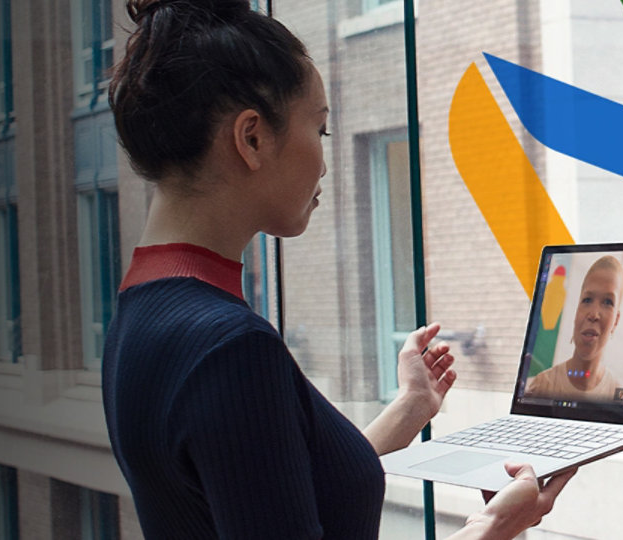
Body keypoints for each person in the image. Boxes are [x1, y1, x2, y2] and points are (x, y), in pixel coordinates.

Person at [102, 1, 575, 538]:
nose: (325, 162)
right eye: (321, 130)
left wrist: (408, 410)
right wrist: (491, 526)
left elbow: (262, 491)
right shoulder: (228, 346)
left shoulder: (142, 307)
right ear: (251, 138)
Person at [526, 256, 623, 401]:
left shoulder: (618, 393)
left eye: (607, 302)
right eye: (587, 300)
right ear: (577, 311)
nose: (593, 314)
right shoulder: (543, 385)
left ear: (616, 321)